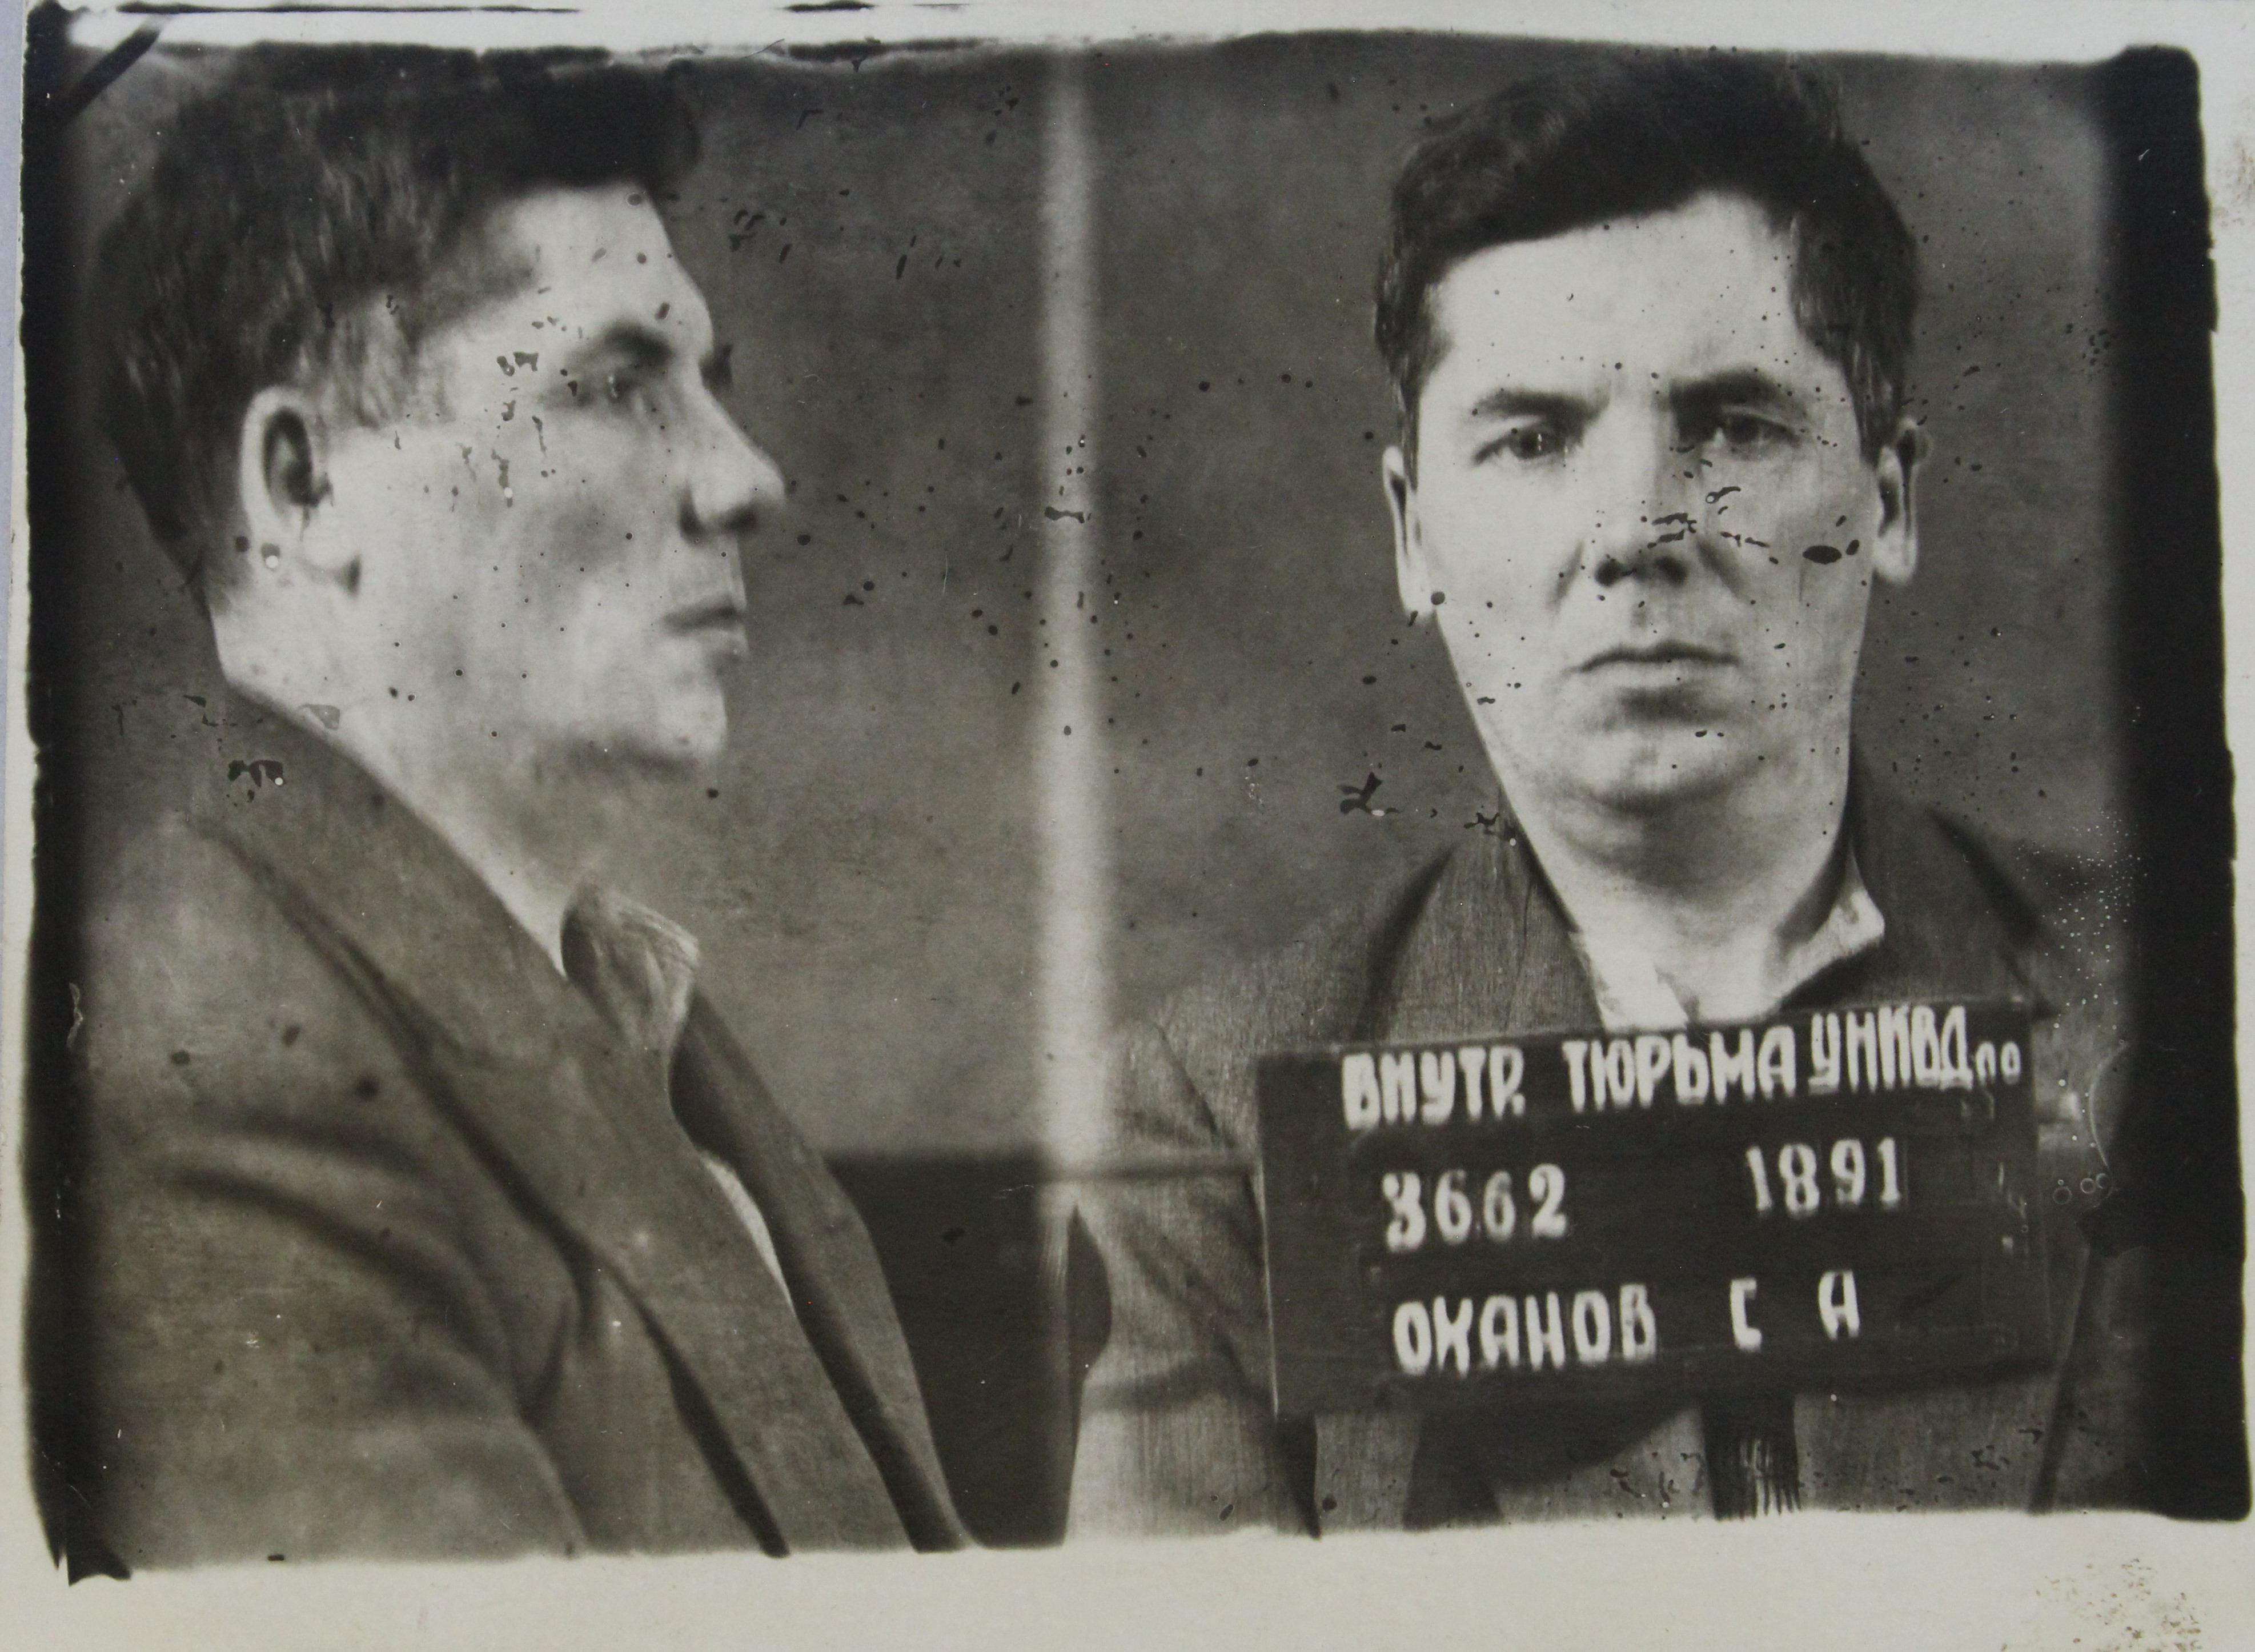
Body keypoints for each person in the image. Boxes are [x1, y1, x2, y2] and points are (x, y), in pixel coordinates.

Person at [1069, 54, 2153, 1535]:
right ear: (1412, 536)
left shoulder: (2172, 1021)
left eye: (1736, 426)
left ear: (1887, 503)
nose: (1636, 529)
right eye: (1532, 438)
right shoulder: (1209, 1117)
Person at [57, 50, 966, 1565]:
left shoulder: (629, 1009)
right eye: (611, 387)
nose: (745, 477)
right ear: (302, 484)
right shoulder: (207, 1056)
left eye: (711, 386)